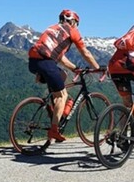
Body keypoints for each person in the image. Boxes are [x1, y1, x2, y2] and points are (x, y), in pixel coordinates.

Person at [28, 9, 100, 141]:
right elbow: (85, 53)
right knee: (63, 95)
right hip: (46, 62)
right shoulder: (72, 30)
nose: (77, 27)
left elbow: (60, 58)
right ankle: (54, 130)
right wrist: (97, 68)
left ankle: (54, 108)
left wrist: (75, 69)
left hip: (33, 62)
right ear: (73, 21)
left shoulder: (53, 29)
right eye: (77, 24)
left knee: (63, 76)